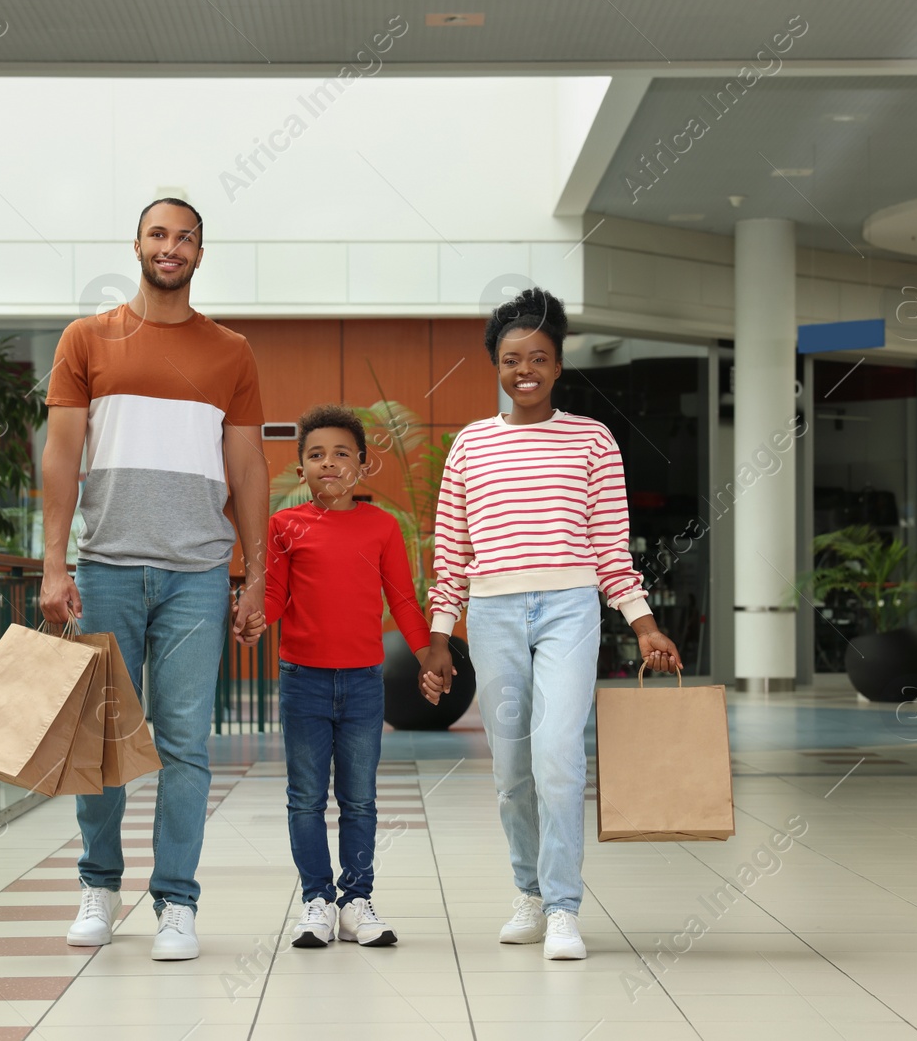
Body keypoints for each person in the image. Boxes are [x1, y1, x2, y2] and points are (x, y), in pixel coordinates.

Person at [38, 198, 269, 961]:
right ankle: (99, 886)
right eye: (159, 234)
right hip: (105, 564)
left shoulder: (230, 352)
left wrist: (256, 574)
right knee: (102, 739)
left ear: (201, 253)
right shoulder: (87, 339)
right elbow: (61, 458)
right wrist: (53, 562)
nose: (171, 247)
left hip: (197, 574)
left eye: (186, 238)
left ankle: (176, 901)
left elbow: (246, 466)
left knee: (184, 744)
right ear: (136, 243)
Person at [423, 287, 682, 961]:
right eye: (512, 359)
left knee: (559, 756)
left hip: (569, 608)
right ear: (496, 365)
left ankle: (564, 906)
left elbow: (611, 548)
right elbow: (451, 550)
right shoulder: (470, 445)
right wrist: (441, 633)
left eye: (538, 357)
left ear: (559, 364)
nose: (525, 370)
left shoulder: (592, 439)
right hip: (495, 613)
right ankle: (529, 893)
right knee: (511, 767)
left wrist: (644, 624)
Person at [237, 405, 453, 949]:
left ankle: (358, 900)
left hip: (362, 683)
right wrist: (254, 618)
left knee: (359, 799)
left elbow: (402, 599)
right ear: (302, 467)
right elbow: (277, 598)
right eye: (315, 455)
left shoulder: (381, 527)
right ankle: (317, 902)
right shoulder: (285, 526)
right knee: (305, 797)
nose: (328, 463)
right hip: (303, 680)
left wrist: (430, 654)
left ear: (361, 463)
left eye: (340, 454)